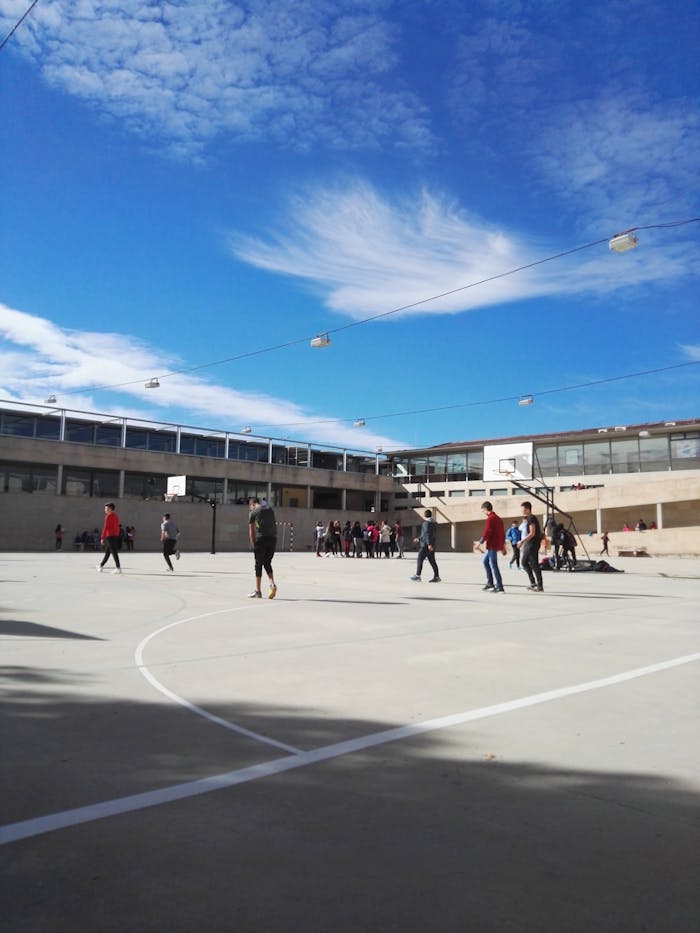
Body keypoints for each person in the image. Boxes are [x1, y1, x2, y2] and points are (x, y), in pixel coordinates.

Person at [248, 497, 277, 599]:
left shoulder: (253, 512)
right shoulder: (270, 510)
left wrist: (253, 544)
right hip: (273, 539)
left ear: (252, 504)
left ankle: (258, 591)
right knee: (267, 562)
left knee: (258, 564)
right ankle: (272, 584)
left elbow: (251, 531)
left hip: (261, 539)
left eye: (250, 507)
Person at [475, 501, 505, 592]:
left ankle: (499, 586)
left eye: (482, 511)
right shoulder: (498, 519)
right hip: (496, 544)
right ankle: (490, 583)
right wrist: (502, 545)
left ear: (485, 509)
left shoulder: (490, 519)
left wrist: (479, 543)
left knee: (494, 564)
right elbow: (502, 533)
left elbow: (487, 532)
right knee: (485, 562)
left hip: (492, 545)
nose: (483, 513)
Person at [517, 501, 543, 592]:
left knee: (534, 564)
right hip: (529, 544)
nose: (522, 511)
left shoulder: (531, 518)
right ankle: (534, 583)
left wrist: (522, 541)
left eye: (523, 509)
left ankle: (539, 586)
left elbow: (532, 533)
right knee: (524, 563)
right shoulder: (528, 519)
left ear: (528, 509)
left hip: (532, 544)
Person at [410, 509, 440, 582]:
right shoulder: (434, 523)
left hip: (426, 545)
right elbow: (426, 534)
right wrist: (419, 539)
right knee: (432, 561)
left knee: (420, 558)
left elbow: (427, 534)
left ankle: (417, 575)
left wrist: (429, 544)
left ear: (425, 515)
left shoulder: (426, 523)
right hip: (431, 544)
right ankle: (436, 577)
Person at [97, 503, 122, 574]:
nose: (105, 510)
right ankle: (101, 566)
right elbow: (117, 527)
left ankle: (118, 568)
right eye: (105, 508)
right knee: (108, 552)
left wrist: (102, 538)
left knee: (113, 552)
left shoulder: (108, 516)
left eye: (106, 509)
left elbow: (105, 528)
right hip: (114, 536)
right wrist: (116, 535)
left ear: (110, 509)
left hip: (110, 536)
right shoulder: (115, 516)